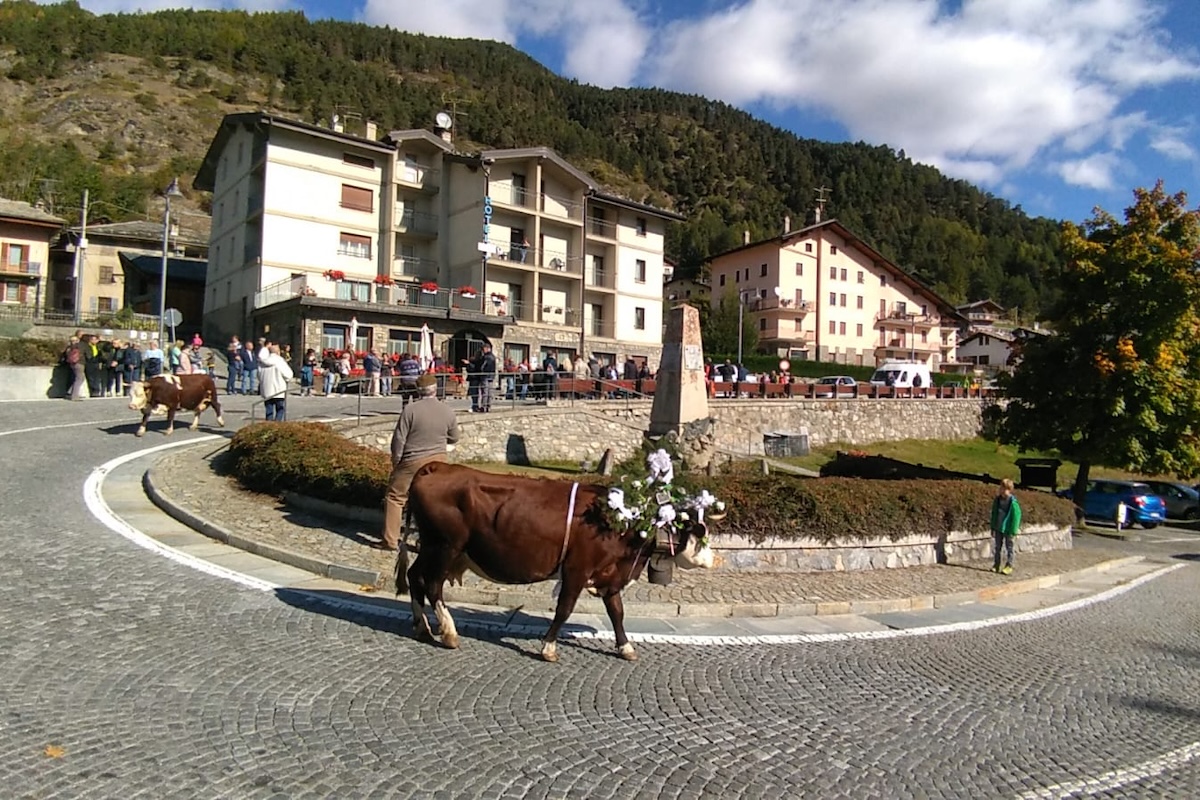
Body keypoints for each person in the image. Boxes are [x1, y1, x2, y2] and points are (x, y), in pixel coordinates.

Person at [377, 373, 460, 551]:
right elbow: (454, 438)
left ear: (418, 390)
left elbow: (399, 439)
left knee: (395, 497)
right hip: (438, 462)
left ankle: (390, 540)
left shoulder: (410, 410)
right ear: (435, 389)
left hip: (413, 459)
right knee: (433, 501)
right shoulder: (447, 410)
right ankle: (427, 542)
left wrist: (396, 461)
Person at [990, 478, 1022, 575]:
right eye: (1001, 488)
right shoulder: (997, 500)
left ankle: (1009, 565)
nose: (1002, 491)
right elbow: (994, 513)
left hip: (1008, 528)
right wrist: (993, 526)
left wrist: (1014, 529)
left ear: (1010, 490)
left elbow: (1016, 516)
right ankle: (996, 564)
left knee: (1009, 547)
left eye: (1005, 489)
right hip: (998, 527)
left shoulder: (1013, 502)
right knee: (997, 547)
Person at [258, 341, 293, 421]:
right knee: (280, 409)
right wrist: (287, 380)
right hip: (278, 390)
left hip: (267, 390)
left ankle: (269, 425)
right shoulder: (279, 361)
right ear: (278, 351)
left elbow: (259, 375)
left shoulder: (263, 362)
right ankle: (277, 425)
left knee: (269, 411)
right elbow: (288, 374)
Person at [63, 335, 85, 401]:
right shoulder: (79, 347)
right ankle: (74, 396)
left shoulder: (69, 348)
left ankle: (70, 392)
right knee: (79, 379)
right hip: (79, 363)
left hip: (72, 364)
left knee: (80, 378)